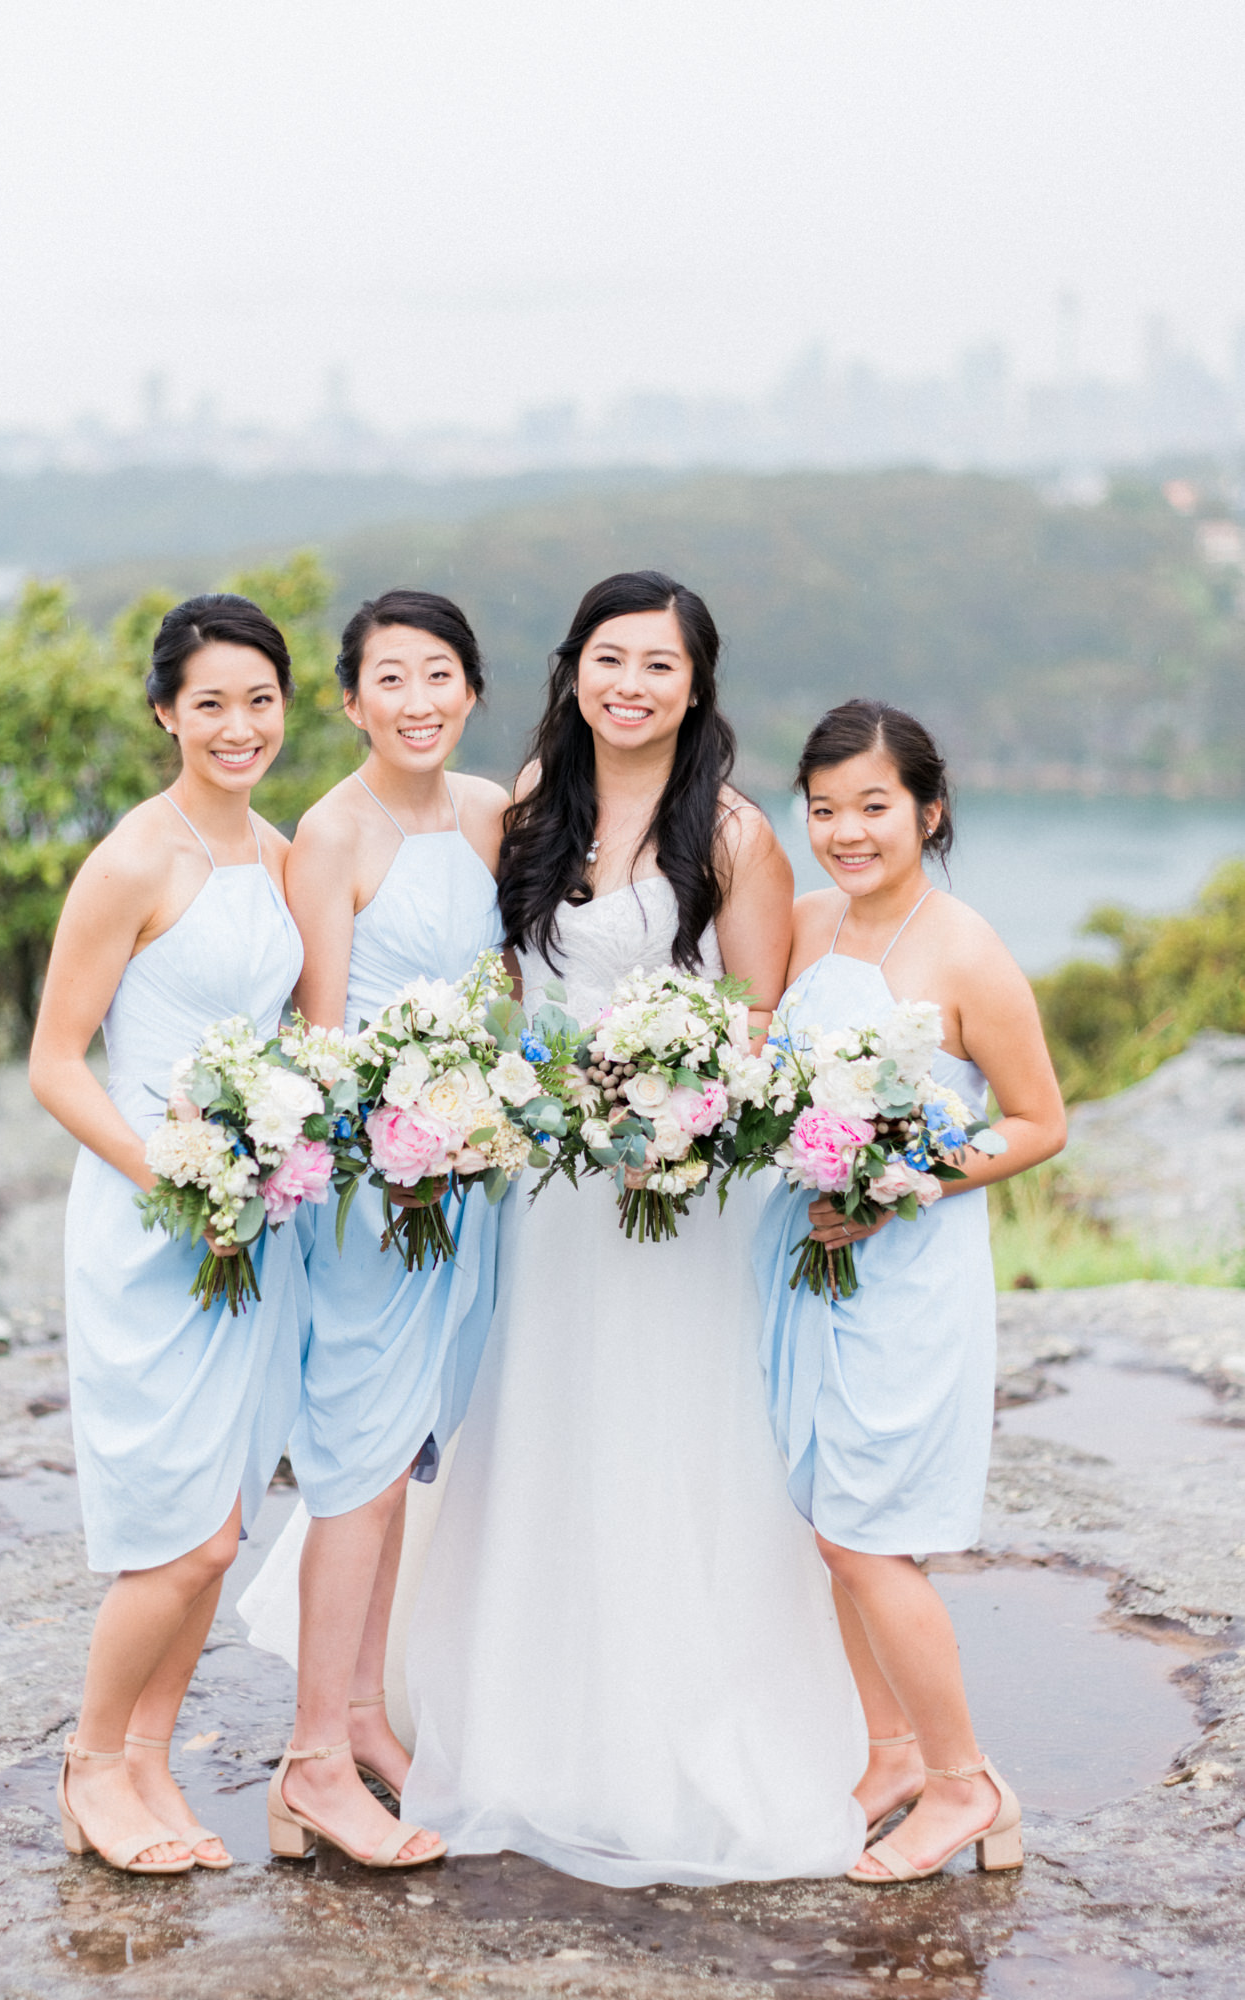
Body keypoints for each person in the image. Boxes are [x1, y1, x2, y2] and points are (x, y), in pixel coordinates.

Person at [398, 571, 868, 1888]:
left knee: (670, 1441)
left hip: (680, 1199)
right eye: (612, 658)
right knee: (546, 1430)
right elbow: (498, 991)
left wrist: (675, 1105)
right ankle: (531, 1731)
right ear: (574, 669)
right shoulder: (528, 816)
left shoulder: (732, 835)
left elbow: (765, 1023)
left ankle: (679, 1729)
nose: (633, 685)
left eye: (660, 665)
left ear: (697, 685)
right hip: (549, 1198)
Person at [753, 698, 1066, 1885]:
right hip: (805, 1262)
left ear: (928, 810)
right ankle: (888, 1753)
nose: (845, 830)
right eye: (824, 807)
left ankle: (965, 1784)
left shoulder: (966, 946)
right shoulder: (804, 919)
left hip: (908, 1269)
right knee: (837, 1526)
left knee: (878, 1536)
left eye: (873, 806)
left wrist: (907, 1182)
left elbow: (1040, 1121)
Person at [29, 594, 307, 1876]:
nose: (238, 725)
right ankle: (91, 1763)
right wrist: (176, 1174)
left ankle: (152, 1758)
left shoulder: (278, 848)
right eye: (211, 703)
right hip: (157, 1223)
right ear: (166, 712)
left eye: (259, 699)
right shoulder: (136, 856)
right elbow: (56, 1060)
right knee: (176, 1529)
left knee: (226, 1519)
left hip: (260, 1228)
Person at [262, 589, 509, 1870]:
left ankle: (363, 1712)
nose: (419, 701)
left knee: (408, 1439)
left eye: (440, 675)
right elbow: (317, 1037)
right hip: (371, 1192)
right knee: (356, 1458)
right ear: (351, 701)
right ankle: (309, 1760)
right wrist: (397, 1141)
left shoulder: (488, 811)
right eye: (391, 680)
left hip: (466, 1181)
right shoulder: (331, 830)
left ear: (472, 688)